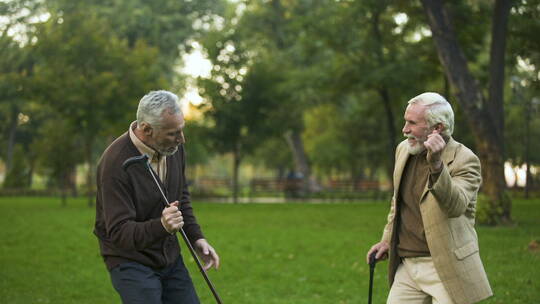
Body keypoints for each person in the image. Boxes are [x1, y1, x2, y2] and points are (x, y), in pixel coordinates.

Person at [94, 90, 220, 304]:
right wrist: (161, 226)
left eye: (181, 130)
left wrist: (197, 238)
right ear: (146, 129)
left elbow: (181, 198)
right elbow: (119, 232)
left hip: (169, 257)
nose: (182, 139)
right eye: (173, 133)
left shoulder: (173, 149)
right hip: (130, 260)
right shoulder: (115, 164)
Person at [366, 92, 492, 304]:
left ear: (437, 128)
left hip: (445, 266)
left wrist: (436, 167)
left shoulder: (465, 160)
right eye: (406, 121)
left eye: (412, 123)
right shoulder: (404, 150)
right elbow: (398, 203)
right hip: (407, 266)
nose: (404, 129)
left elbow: (456, 205)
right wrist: (387, 240)